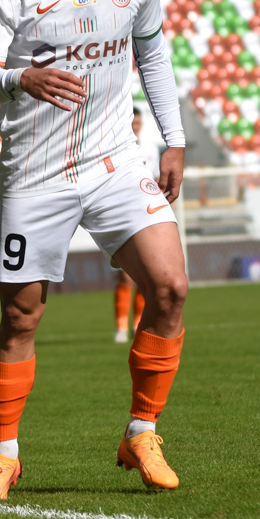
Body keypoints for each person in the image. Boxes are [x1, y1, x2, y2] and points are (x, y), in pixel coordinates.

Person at [0, 0, 188, 503]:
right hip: (34, 174)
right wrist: (21, 78)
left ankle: (142, 431)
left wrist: (173, 139)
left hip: (114, 160)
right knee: (20, 317)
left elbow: (152, 53)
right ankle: (4, 456)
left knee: (170, 288)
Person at [113, 107, 162, 343]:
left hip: (147, 213)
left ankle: (136, 325)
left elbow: (155, 180)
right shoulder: (116, 147)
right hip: (124, 213)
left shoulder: (151, 148)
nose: (136, 126)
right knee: (126, 276)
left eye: (138, 122)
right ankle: (121, 327)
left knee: (147, 274)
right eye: (132, 122)